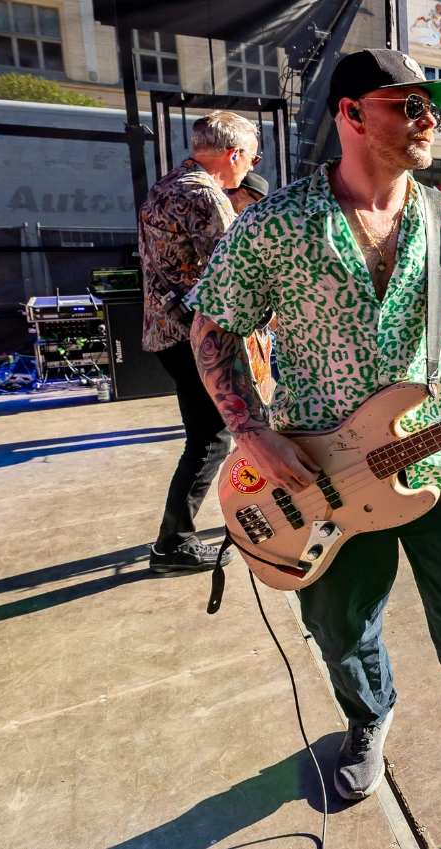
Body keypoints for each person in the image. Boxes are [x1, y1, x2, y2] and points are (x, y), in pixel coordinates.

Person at [186, 51, 441, 843]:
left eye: (430, 107)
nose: (428, 118)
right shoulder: (278, 224)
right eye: (409, 104)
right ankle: (369, 715)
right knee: (341, 626)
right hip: (316, 473)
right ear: (351, 113)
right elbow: (213, 327)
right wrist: (253, 430)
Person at [139, 110, 258, 574]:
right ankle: (173, 545)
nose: (250, 166)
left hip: (164, 331)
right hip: (192, 336)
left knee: (205, 435)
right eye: (250, 157)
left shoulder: (166, 185)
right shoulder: (207, 196)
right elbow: (237, 272)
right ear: (233, 154)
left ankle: (174, 540)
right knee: (210, 439)